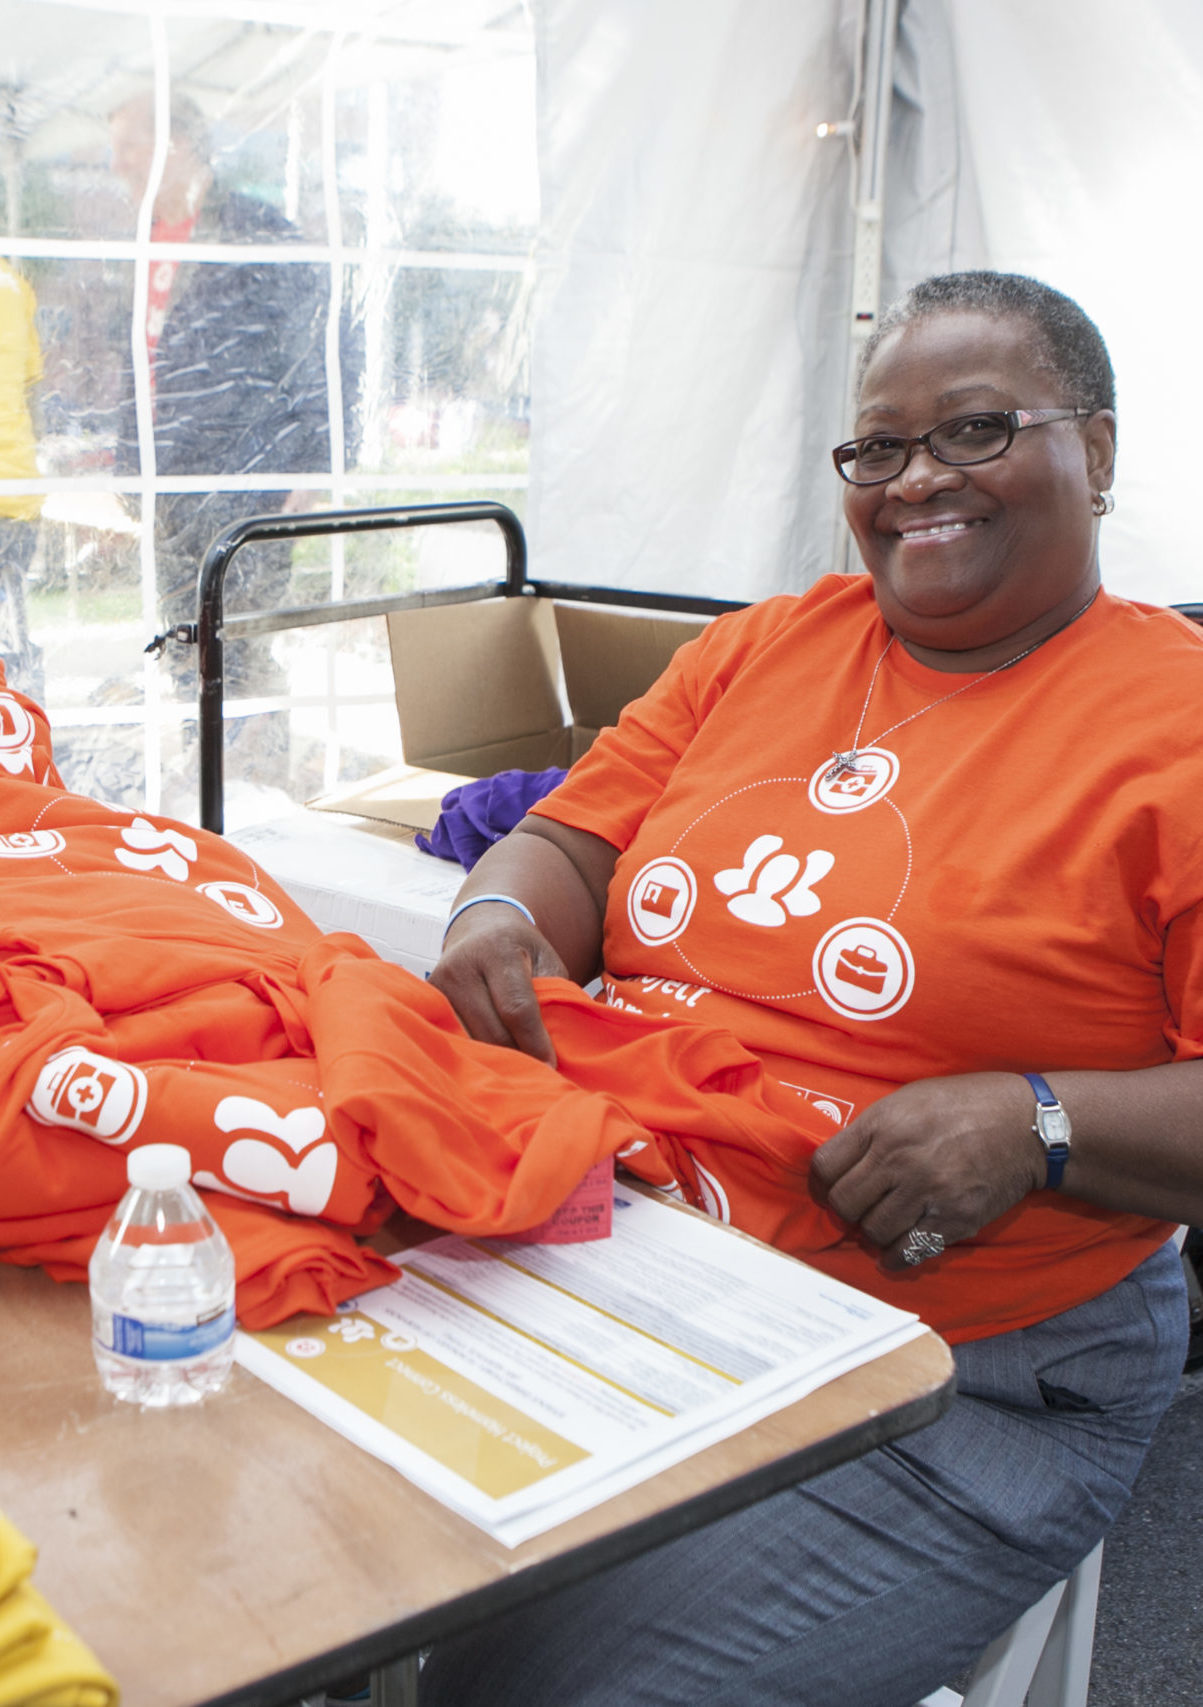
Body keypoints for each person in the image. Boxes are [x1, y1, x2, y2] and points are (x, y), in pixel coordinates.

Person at [420, 271, 1200, 1706]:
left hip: (952, 1363)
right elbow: (566, 842)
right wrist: (492, 914)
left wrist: (1035, 1120)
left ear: (1092, 448)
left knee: (529, 1685)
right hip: (623, 1256)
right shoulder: (762, 646)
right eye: (878, 449)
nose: (916, 484)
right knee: (333, 1538)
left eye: (972, 432)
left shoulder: (1178, 727)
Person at [107, 92, 333, 706]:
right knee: (185, 651)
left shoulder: (253, 232)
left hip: (246, 487)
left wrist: (309, 470)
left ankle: (252, 788)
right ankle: (204, 784)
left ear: (177, 146)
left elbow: (314, 349)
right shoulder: (144, 241)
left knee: (244, 655)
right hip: (170, 492)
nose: (118, 164)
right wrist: (130, 468)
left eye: (131, 146)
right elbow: (138, 364)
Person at [0, 260, 45, 702]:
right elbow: (32, 382)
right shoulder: (12, 283)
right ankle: (24, 737)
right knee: (14, 640)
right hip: (18, 493)